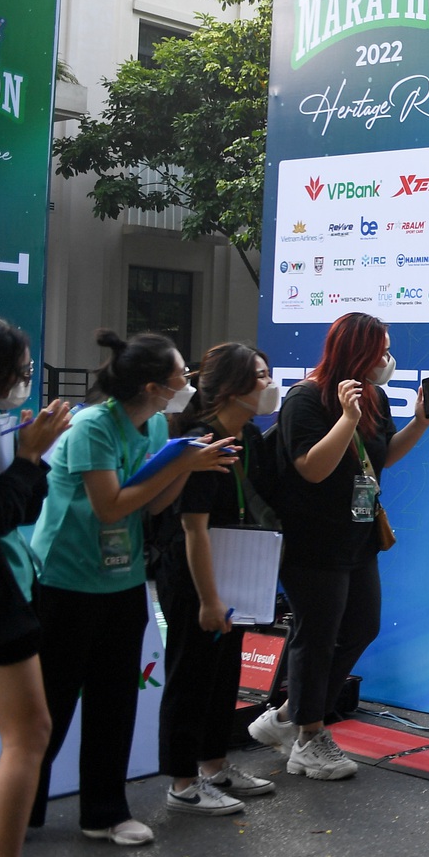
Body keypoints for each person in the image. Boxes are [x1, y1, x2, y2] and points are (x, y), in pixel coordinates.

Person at [30, 331, 237, 846]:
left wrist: (186, 466)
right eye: (180, 375)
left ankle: (104, 813)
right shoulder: (92, 427)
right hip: (65, 580)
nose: (187, 382)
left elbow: (155, 503)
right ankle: (15, 808)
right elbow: (110, 506)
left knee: (115, 700)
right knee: (51, 703)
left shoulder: (154, 427)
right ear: (152, 386)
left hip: (121, 580)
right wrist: (181, 463)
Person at [247, 313, 429, 782]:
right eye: (380, 350)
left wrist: (419, 424)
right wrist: (347, 418)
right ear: (356, 351)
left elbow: (382, 455)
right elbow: (311, 468)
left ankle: (290, 715)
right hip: (310, 540)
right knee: (316, 634)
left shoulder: (373, 395)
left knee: (361, 626)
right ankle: (308, 737)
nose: (387, 359)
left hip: (357, 536)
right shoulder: (306, 398)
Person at [155, 343, 282, 817]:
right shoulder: (201, 443)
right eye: (260, 376)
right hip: (194, 575)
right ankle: (183, 783)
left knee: (224, 673)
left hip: (233, 570)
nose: (269, 384)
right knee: (190, 674)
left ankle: (214, 765)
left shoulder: (250, 436)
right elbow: (193, 529)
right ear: (231, 388)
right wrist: (209, 599)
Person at [0, 316, 80, 857]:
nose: (24, 382)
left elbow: (13, 509)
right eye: (19, 372)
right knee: (30, 733)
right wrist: (28, 457)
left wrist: (24, 459)